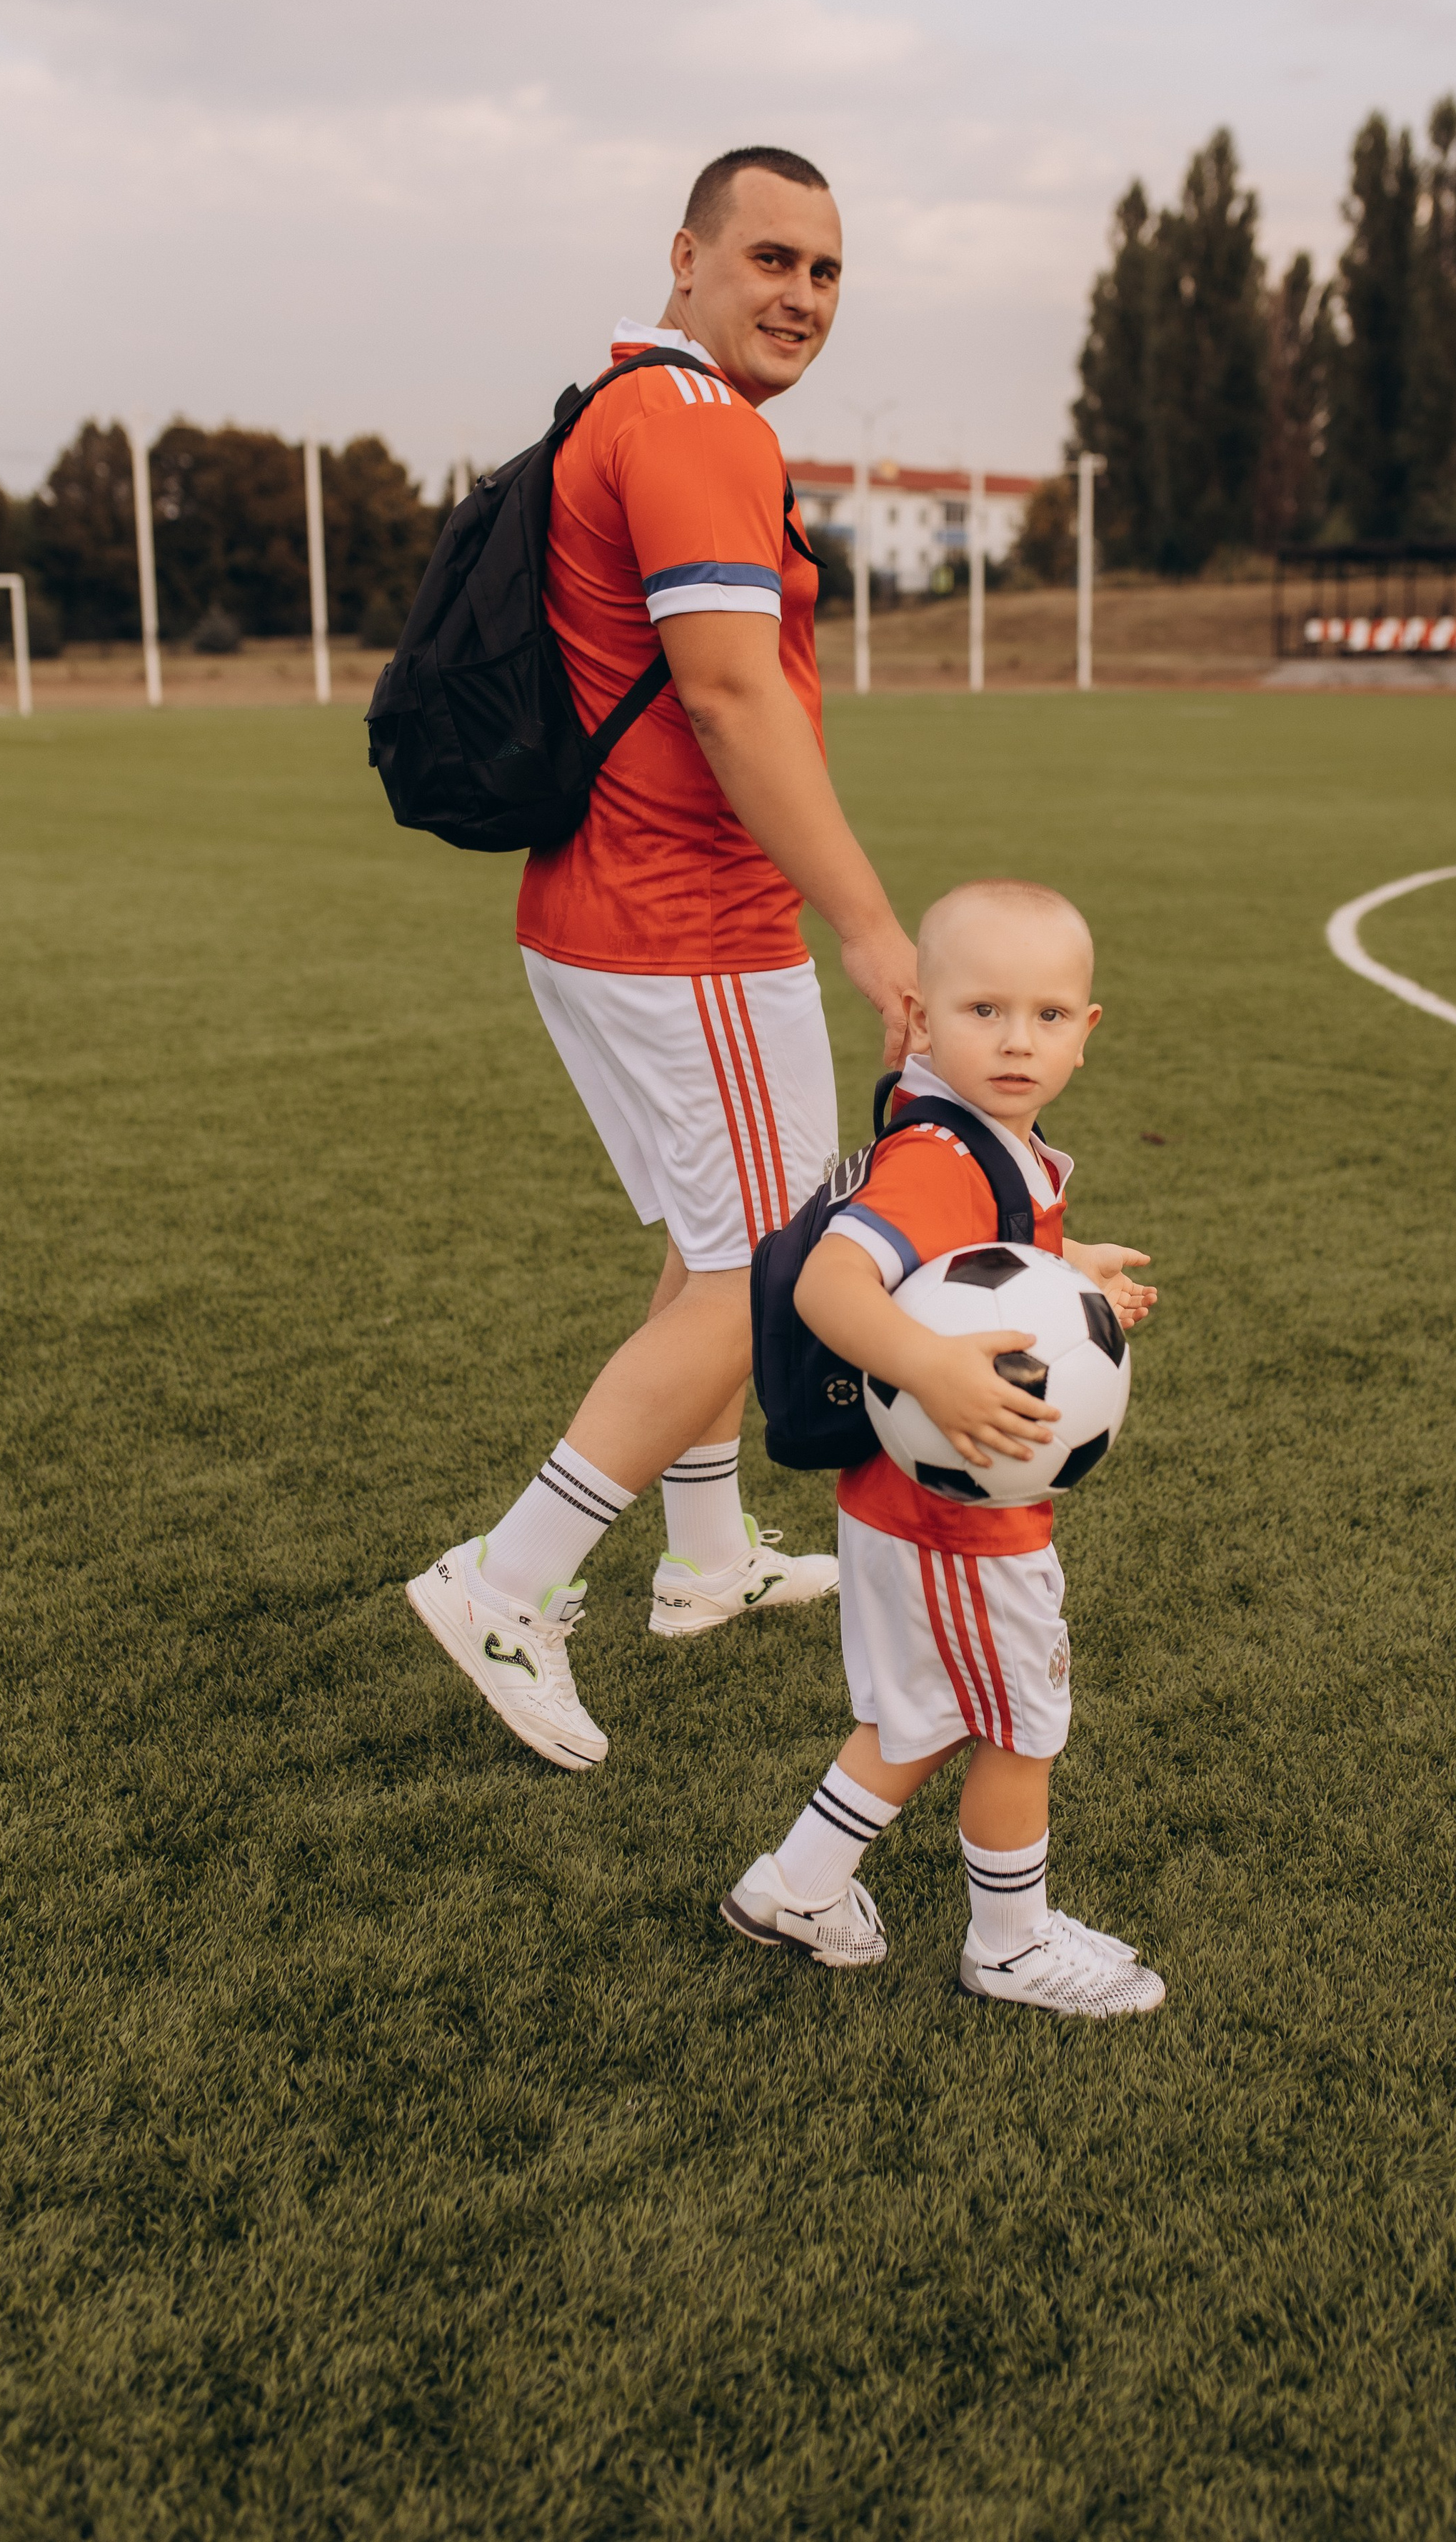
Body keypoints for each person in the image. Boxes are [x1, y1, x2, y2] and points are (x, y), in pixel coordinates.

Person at [408, 146, 918, 1773]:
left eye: (826, 271)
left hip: (615, 912)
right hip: (678, 920)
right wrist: (866, 922)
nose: (800, 295)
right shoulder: (694, 424)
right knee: (763, 1266)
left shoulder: (624, 406)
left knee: (719, 1249)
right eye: (769, 258)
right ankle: (505, 1583)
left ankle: (701, 1565)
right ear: (684, 258)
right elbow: (727, 693)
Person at [721, 879, 1168, 2019]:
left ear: (1087, 1029)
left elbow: (977, 1268)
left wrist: (1074, 1279)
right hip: (955, 1518)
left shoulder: (986, 1140)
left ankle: (797, 1887)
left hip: (908, 1501)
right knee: (1020, 1723)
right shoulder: (944, 1158)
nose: (1018, 1040)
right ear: (920, 1017)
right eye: (983, 1012)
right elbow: (835, 1280)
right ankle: (1010, 1950)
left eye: (1049, 1016)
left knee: (918, 1714)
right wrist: (929, 1367)